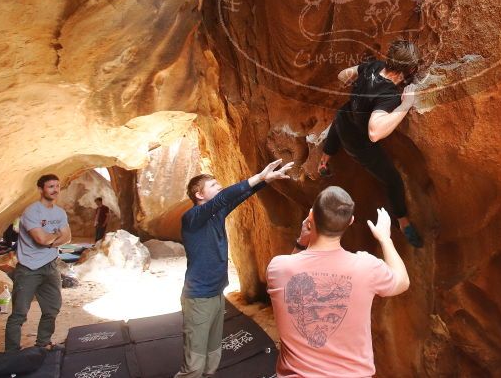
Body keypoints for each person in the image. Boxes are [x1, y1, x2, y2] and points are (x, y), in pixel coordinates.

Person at [267, 186, 410, 377]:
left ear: (311, 217)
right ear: (350, 221)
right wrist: (385, 238)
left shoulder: (278, 268)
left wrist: (302, 241)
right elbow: (402, 281)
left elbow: (291, 273)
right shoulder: (366, 267)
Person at [175, 158, 295, 378]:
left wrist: (265, 180)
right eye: (213, 185)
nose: (219, 186)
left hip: (215, 295)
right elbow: (224, 197)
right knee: (193, 364)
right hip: (198, 298)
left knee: (212, 356)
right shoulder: (192, 217)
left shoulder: (215, 213)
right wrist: (257, 177)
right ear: (199, 195)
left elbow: (238, 196)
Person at [318, 40, 423, 247]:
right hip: (359, 143)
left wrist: (358, 89)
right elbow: (374, 132)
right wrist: (406, 103)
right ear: (410, 69)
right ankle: (403, 222)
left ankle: (324, 161)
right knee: (393, 179)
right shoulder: (389, 95)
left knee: (341, 115)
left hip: (346, 118)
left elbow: (343, 75)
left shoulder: (373, 66)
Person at [5, 174, 71, 351]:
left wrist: (53, 240)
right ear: (41, 189)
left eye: (57, 186)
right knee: (19, 314)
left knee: (52, 309)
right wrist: (57, 236)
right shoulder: (31, 212)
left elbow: (68, 237)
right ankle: (11, 353)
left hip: (50, 267)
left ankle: (43, 343)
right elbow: (41, 239)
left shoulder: (60, 213)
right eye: (50, 186)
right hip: (28, 269)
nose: (55, 190)